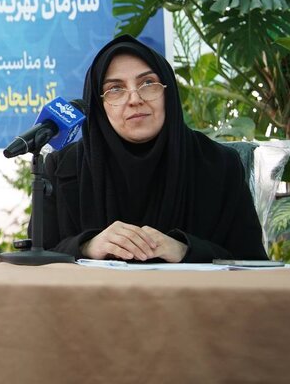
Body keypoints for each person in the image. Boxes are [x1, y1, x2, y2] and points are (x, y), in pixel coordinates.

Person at [40, 34, 268, 263]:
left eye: (148, 83)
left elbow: (252, 262)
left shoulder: (221, 164)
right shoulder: (62, 167)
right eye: (115, 89)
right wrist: (86, 246)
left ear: (168, 92)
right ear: (99, 106)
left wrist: (185, 250)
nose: (135, 99)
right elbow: (38, 257)